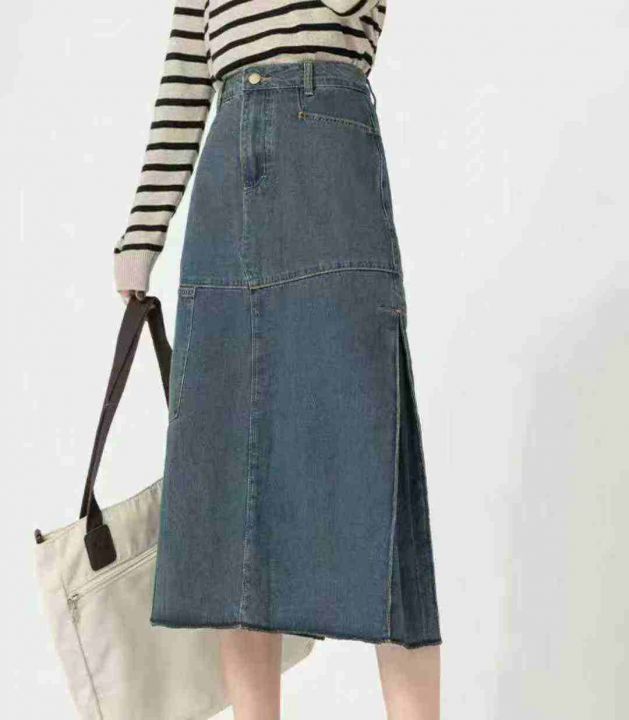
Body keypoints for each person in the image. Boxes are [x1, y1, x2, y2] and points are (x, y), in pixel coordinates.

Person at [115, 2, 442, 718]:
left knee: (373, 458)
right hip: (227, 167)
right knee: (233, 486)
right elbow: (185, 75)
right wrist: (143, 229)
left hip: (327, 149)